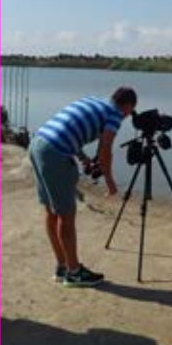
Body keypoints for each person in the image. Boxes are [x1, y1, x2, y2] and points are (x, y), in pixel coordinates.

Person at [29, 86, 137, 287]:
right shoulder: (115, 115)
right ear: (128, 107)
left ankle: (63, 267)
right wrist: (111, 183)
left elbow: (69, 126)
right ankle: (74, 272)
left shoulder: (94, 101)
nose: (126, 118)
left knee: (51, 212)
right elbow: (105, 151)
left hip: (38, 143)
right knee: (66, 214)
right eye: (129, 114)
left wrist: (82, 157)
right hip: (55, 153)